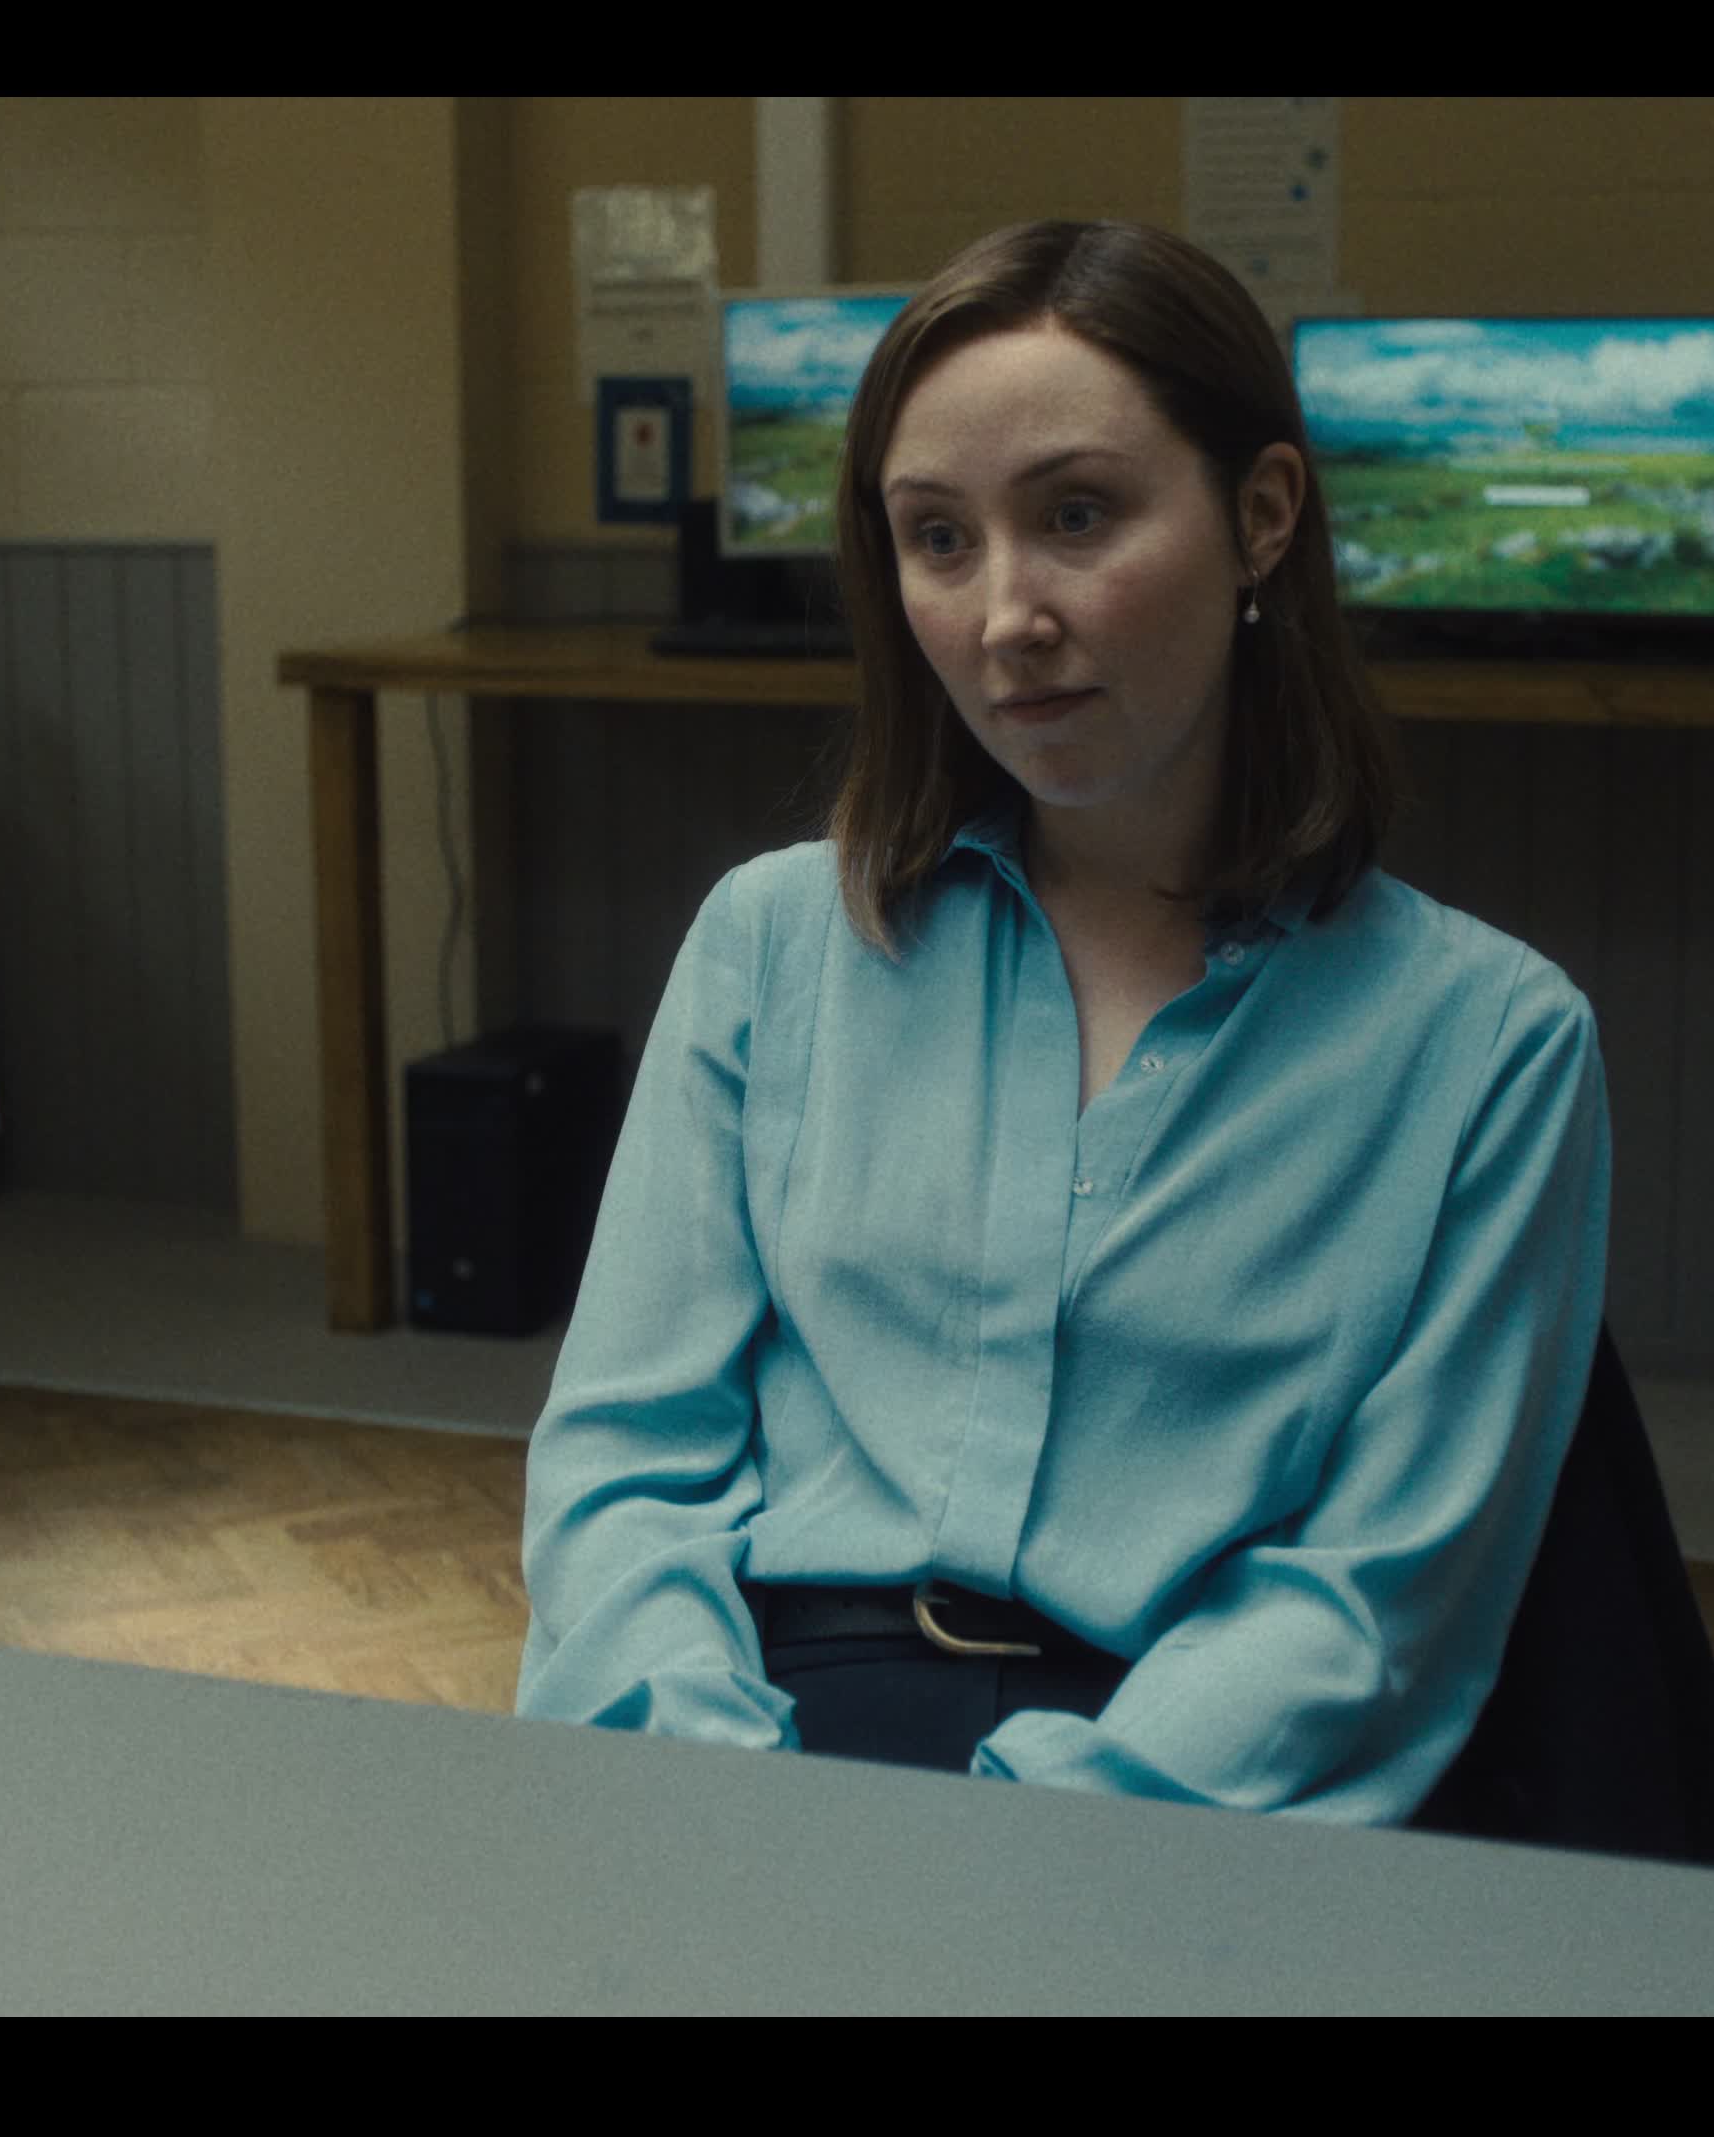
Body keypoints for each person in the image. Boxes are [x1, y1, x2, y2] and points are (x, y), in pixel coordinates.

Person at [511, 217, 1612, 1831]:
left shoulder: (1492, 1046)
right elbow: (621, 1469)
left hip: (1183, 1790)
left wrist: (1033, 1847)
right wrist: (731, 1795)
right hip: (763, 1727)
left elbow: (1373, 1611)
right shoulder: (773, 944)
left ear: (1262, 516)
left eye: (1077, 515)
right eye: (938, 539)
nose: (1004, 615)